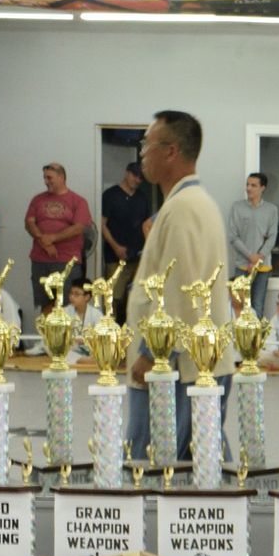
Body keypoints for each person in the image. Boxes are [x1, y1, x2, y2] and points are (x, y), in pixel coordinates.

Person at [125, 111, 232, 461]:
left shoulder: (183, 208)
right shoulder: (188, 203)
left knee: (156, 468)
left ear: (170, 151)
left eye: (147, 144)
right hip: (190, 365)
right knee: (201, 463)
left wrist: (151, 352)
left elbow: (180, 290)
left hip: (176, 369)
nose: (141, 153)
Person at [24, 162, 92, 311]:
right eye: (44, 178)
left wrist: (53, 238)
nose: (46, 181)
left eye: (50, 178)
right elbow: (29, 222)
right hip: (40, 261)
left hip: (67, 261)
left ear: (61, 177)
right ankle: (48, 334)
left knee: (69, 304)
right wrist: (45, 242)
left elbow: (79, 227)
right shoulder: (37, 199)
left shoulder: (78, 201)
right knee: (46, 304)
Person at [98, 160, 151, 322]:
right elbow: (101, 224)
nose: (137, 180)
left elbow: (147, 225)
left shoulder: (142, 198)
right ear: (127, 173)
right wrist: (116, 247)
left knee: (137, 296)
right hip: (115, 257)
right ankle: (111, 332)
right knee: (113, 297)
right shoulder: (110, 195)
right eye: (135, 175)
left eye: (141, 178)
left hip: (138, 257)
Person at [228, 171, 279, 318]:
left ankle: (255, 340)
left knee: (257, 304)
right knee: (239, 303)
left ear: (262, 188)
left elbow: (272, 236)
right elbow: (233, 236)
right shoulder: (237, 208)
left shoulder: (271, 210)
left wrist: (259, 256)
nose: (249, 188)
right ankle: (239, 338)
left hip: (263, 266)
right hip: (242, 265)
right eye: (247, 185)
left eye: (253, 185)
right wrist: (250, 256)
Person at [65, 281, 104, 357]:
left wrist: (87, 340)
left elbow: (101, 338)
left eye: (76, 294)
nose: (72, 297)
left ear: (87, 297)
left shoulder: (96, 314)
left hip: (91, 353)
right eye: (71, 293)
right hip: (70, 351)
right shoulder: (65, 312)